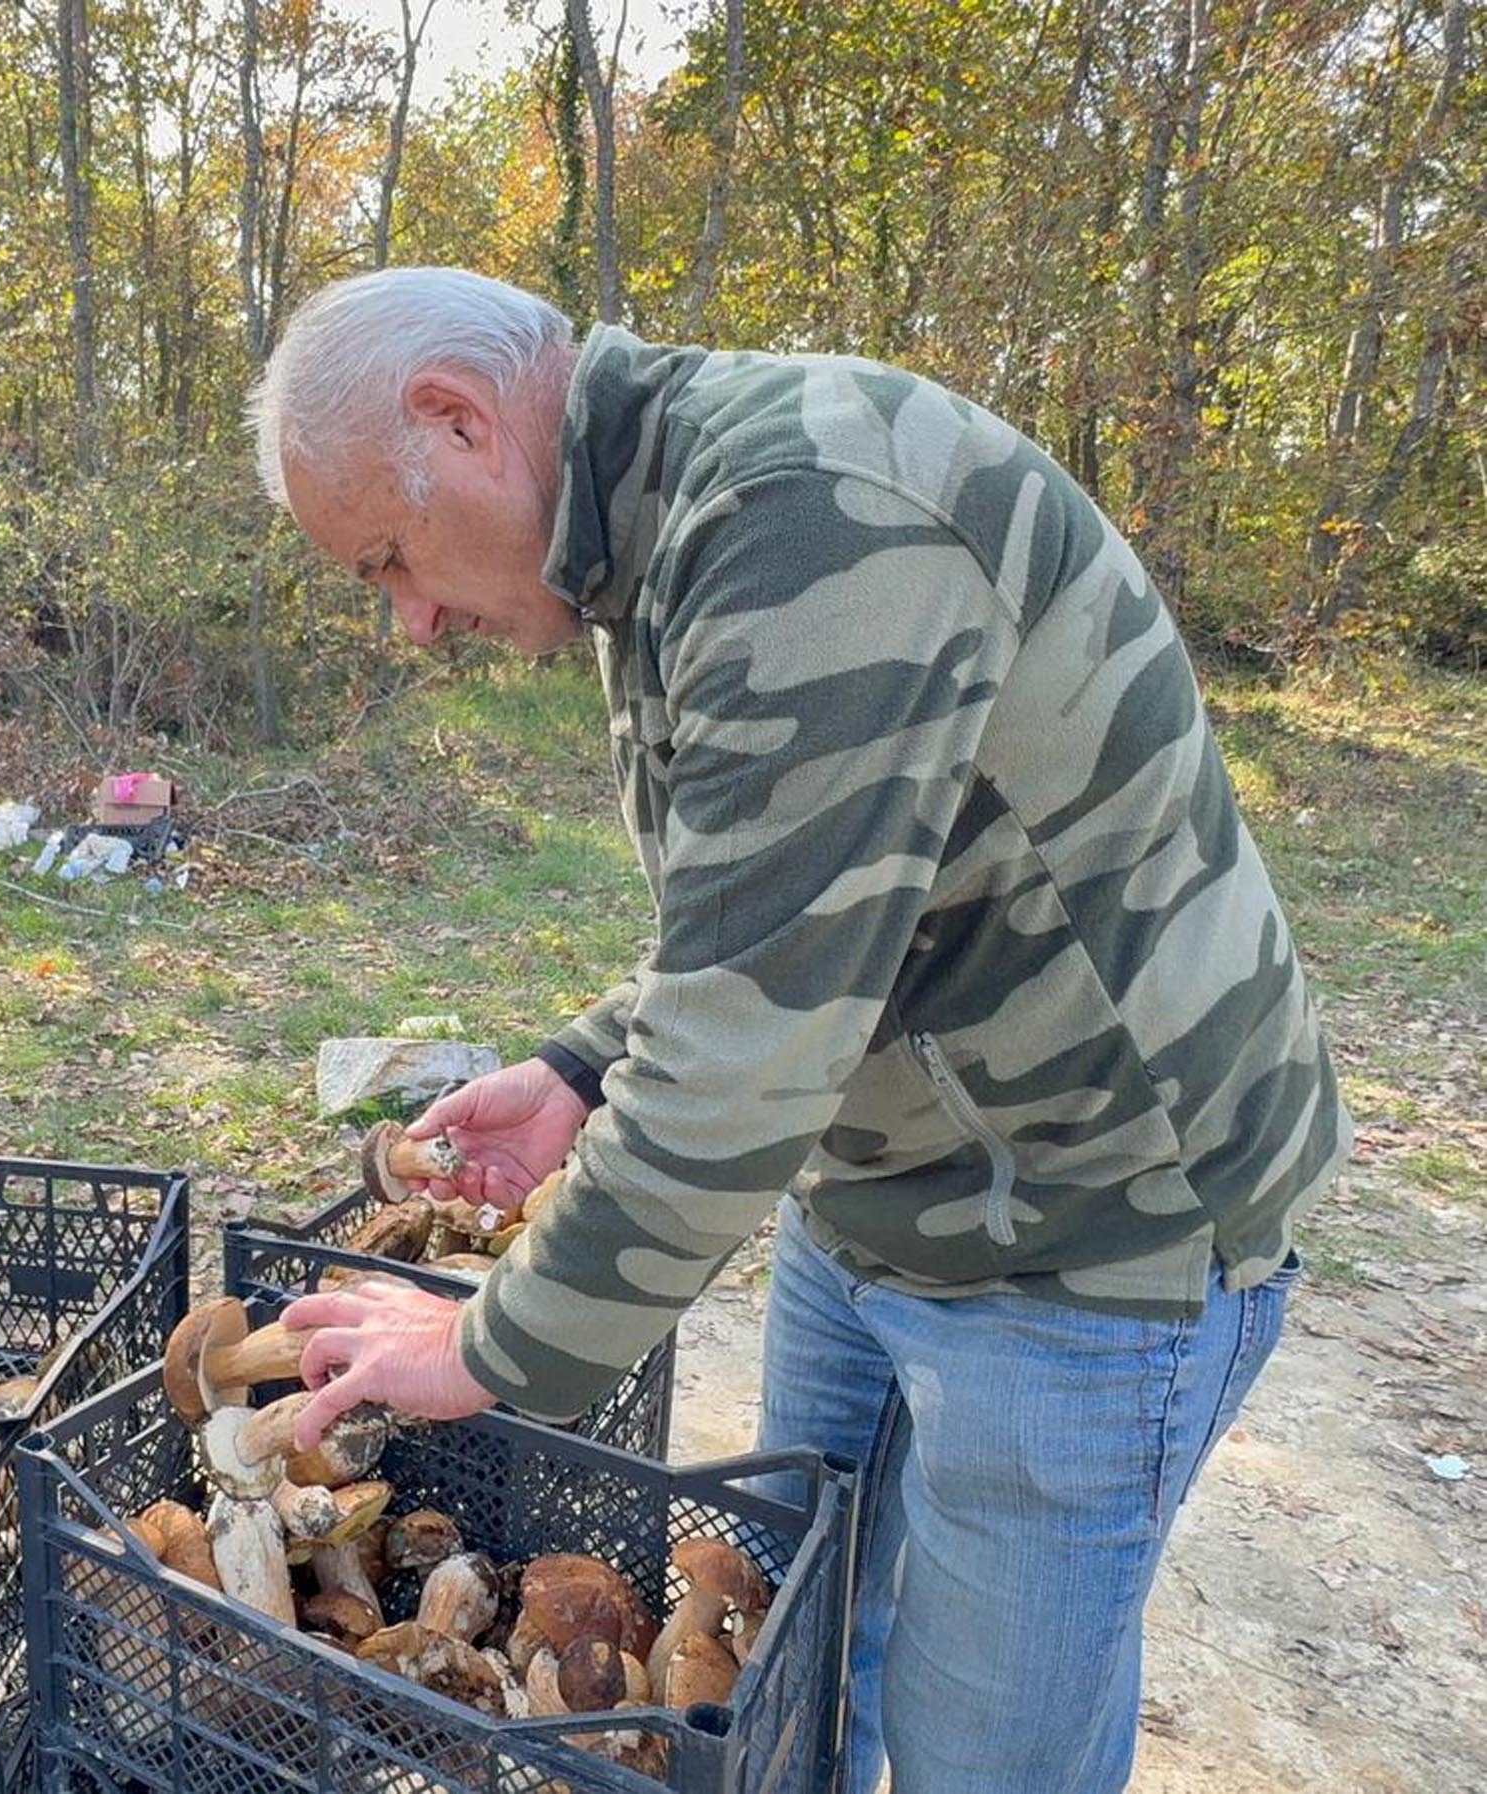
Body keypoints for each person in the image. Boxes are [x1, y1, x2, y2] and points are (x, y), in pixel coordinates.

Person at [257, 267, 1351, 1793]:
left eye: (390, 555)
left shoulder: (802, 518)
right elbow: (787, 921)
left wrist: (493, 1345)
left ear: (462, 420)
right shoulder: (655, 542)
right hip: (884, 1197)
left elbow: (742, 1056)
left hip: (1085, 1236)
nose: (412, 617)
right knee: (795, 1658)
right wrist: (584, 1067)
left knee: (988, 1755)